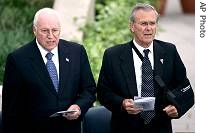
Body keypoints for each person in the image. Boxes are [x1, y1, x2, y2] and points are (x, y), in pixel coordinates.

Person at [97, 3, 193, 133]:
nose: (149, 28)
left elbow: (185, 88)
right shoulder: (113, 55)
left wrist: (178, 107)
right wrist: (122, 103)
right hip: (125, 127)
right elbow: (103, 92)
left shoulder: (169, 51)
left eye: (152, 23)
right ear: (132, 26)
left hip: (161, 127)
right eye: (143, 24)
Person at [2, 8, 96, 133]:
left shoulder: (76, 52)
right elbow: (10, 110)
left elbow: (89, 90)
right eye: (45, 31)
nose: (51, 36)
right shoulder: (17, 59)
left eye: (55, 30)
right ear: (34, 30)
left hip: (69, 129)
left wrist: (78, 107)